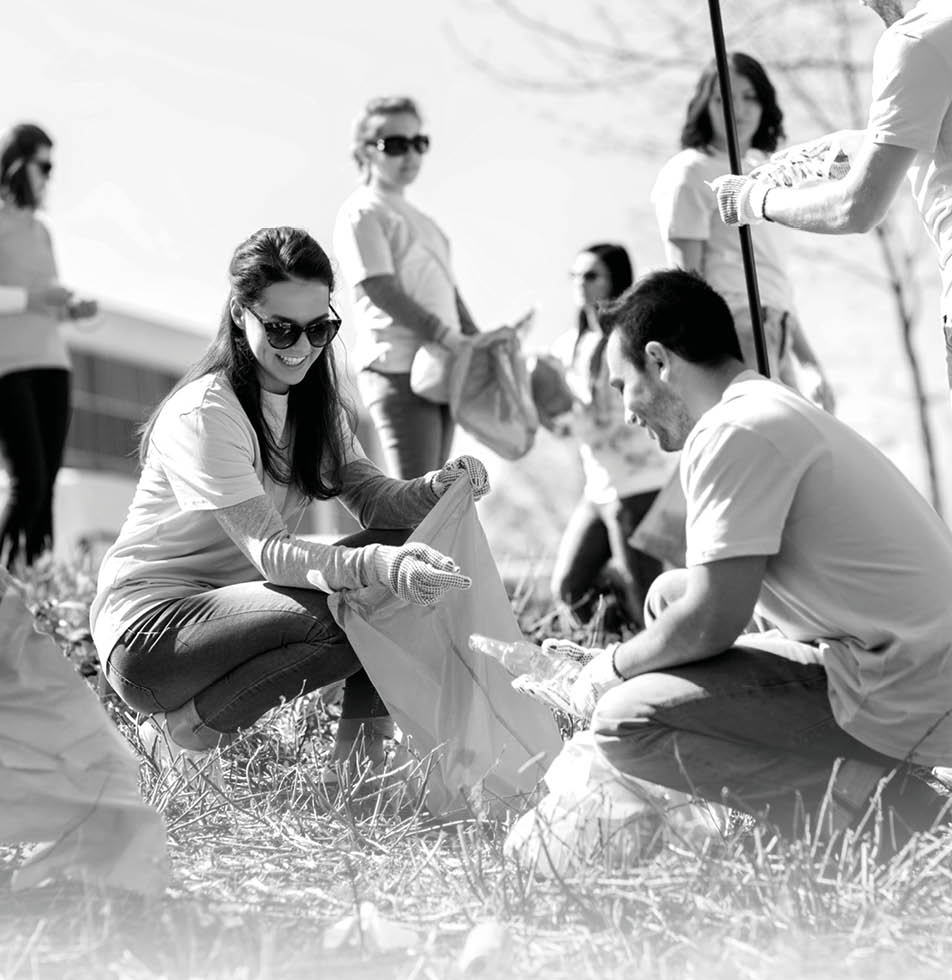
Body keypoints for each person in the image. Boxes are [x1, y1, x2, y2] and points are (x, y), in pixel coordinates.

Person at [544, 269, 952, 850]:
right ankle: (858, 786)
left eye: (620, 385)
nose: (628, 412)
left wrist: (609, 669)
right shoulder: (764, 407)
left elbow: (714, 620)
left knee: (625, 721)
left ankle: (883, 811)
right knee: (665, 596)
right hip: (909, 661)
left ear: (658, 361)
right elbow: (703, 603)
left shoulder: (733, 430)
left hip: (907, 693)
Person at [90, 226, 490, 776]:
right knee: (363, 599)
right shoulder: (206, 413)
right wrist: (378, 568)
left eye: (319, 328)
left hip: (238, 613)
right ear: (239, 313)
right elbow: (271, 553)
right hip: (151, 638)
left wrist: (433, 490)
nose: (301, 348)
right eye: (280, 329)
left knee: (395, 563)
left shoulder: (316, 410)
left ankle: (359, 773)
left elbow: (375, 502)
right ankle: (183, 734)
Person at [710, 3, 952, 395]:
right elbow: (923, 141)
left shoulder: (914, 40)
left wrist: (754, 199)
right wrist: (818, 159)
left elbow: (856, 208)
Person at [652, 53, 834, 410]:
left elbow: (773, 280)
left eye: (750, 96)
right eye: (724, 98)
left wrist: (809, 362)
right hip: (732, 327)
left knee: (798, 446)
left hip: (776, 327)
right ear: (704, 104)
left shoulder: (768, 175)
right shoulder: (690, 171)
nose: (739, 109)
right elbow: (685, 283)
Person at [333, 96, 480, 480]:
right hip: (396, 366)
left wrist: (477, 340)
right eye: (395, 144)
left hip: (442, 364)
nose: (410, 154)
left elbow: (449, 292)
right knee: (417, 501)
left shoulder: (425, 221)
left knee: (435, 496)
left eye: (419, 143)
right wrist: (446, 334)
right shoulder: (362, 211)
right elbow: (379, 287)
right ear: (365, 150)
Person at [547, 244, 676, 629]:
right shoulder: (567, 345)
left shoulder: (632, 341)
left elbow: (635, 407)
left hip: (639, 482)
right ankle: (620, 649)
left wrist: (579, 418)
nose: (580, 284)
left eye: (591, 276)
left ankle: (659, 667)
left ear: (613, 281)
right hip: (597, 486)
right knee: (569, 588)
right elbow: (563, 415)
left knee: (646, 593)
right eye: (574, 276)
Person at [0, 123, 97, 567]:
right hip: (9, 365)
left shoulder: (41, 229)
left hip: (52, 363)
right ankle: (5, 583)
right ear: (18, 163)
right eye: (45, 165)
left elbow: (48, 296)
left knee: (49, 482)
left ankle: (37, 591)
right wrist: (35, 298)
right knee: (30, 482)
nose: (49, 176)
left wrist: (70, 308)